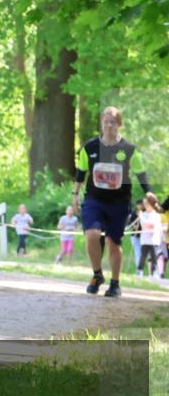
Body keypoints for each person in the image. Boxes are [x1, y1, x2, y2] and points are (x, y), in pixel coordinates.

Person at [73, 106, 154, 297]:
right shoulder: (90, 147)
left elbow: (141, 173)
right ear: (102, 124)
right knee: (92, 234)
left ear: (119, 125)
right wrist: (75, 194)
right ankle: (97, 275)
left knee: (112, 242)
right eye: (106, 122)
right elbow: (81, 172)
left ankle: (115, 283)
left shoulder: (129, 150)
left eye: (113, 122)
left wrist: (149, 192)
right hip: (94, 200)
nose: (109, 126)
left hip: (118, 202)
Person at [138, 193, 162, 278]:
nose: (145, 206)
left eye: (146, 204)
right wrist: (142, 218)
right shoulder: (144, 214)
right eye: (144, 204)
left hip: (154, 240)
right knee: (143, 256)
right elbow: (144, 225)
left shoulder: (156, 215)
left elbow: (149, 225)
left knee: (154, 257)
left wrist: (142, 218)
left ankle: (154, 272)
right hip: (145, 240)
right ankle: (140, 271)